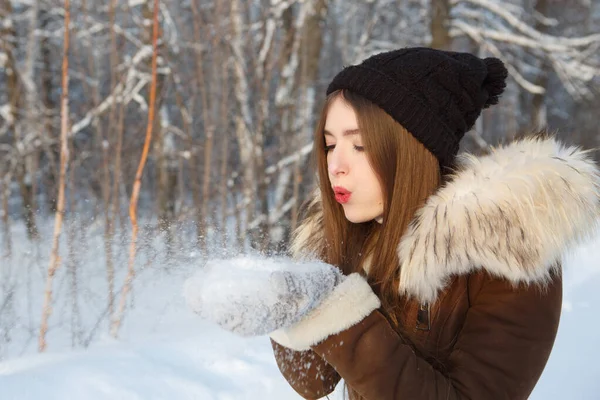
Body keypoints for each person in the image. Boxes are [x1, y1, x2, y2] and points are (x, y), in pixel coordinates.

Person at [185, 47, 600, 399]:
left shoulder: (507, 249)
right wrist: (288, 304)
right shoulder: (351, 234)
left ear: (411, 152)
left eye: (359, 145)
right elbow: (314, 382)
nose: (335, 166)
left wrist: (337, 310)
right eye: (329, 145)